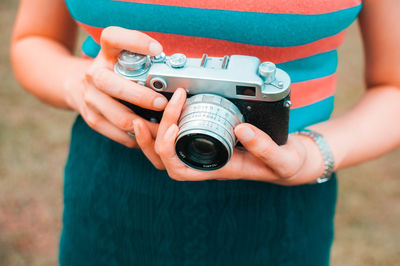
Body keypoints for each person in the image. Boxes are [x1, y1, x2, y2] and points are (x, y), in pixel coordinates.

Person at [10, 0, 400, 265]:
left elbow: (393, 86)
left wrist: (313, 154)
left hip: (283, 199)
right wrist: (80, 85)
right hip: (111, 187)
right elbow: (33, 41)